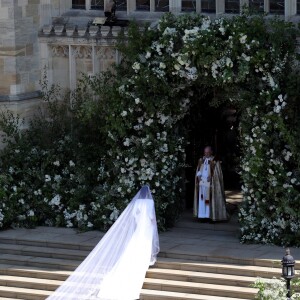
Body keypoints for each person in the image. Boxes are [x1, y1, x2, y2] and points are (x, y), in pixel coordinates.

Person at [47, 185, 159, 300]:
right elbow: (152, 219)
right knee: (144, 243)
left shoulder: (137, 203)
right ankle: (144, 260)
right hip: (146, 228)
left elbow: (134, 217)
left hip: (138, 228)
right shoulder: (149, 204)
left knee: (135, 244)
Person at [193, 146, 227, 221]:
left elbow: (218, 174)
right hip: (202, 182)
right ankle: (202, 216)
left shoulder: (215, 161)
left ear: (211, 152)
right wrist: (198, 176)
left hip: (210, 184)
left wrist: (212, 177)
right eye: (205, 152)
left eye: (208, 152)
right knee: (202, 199)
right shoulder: (201, 160)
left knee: (208, 200)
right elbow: (198, 169)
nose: (206, 154)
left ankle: (209, 216)